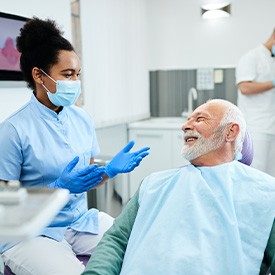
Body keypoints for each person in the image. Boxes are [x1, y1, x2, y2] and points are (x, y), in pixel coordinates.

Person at [0, 17, 150, 275]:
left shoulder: (81, 118)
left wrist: (108, 172)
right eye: (67, 74)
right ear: (39, 75)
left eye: (77, 74)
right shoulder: (13, 130)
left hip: (80, 222)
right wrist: (58, 188)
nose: (75, 82)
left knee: (144, 244)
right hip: (33, 233)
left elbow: (86, 178)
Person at [82, 99, 275, 275]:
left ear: (230, 132)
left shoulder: (265, 192)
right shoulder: (154, 184)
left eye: (200, 119)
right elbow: (116, 240)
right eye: (188, 120)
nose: (185, 126)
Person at [235, 28, 275, 177]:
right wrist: (273, 83)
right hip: (256, 128)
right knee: (256, 173)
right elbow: (244, 87)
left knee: (270, 176)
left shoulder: (272, 60)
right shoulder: (251, 57)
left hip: (272, 127)